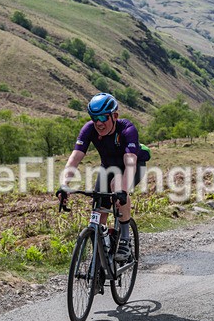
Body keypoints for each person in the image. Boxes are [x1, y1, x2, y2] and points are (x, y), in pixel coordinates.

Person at [56, 93, 151, 261]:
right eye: (94, 117)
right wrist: (64, 185)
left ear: (114, 116)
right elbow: (75, 157)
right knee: (98, 215)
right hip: (107, 168)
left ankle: (125, 239)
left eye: (103, 117)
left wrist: (122, 190)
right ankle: (99, 262)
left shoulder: (127, 129)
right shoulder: (89, 129)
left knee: (117, 186)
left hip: (133, 166)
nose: (98, 123)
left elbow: (130, 162)